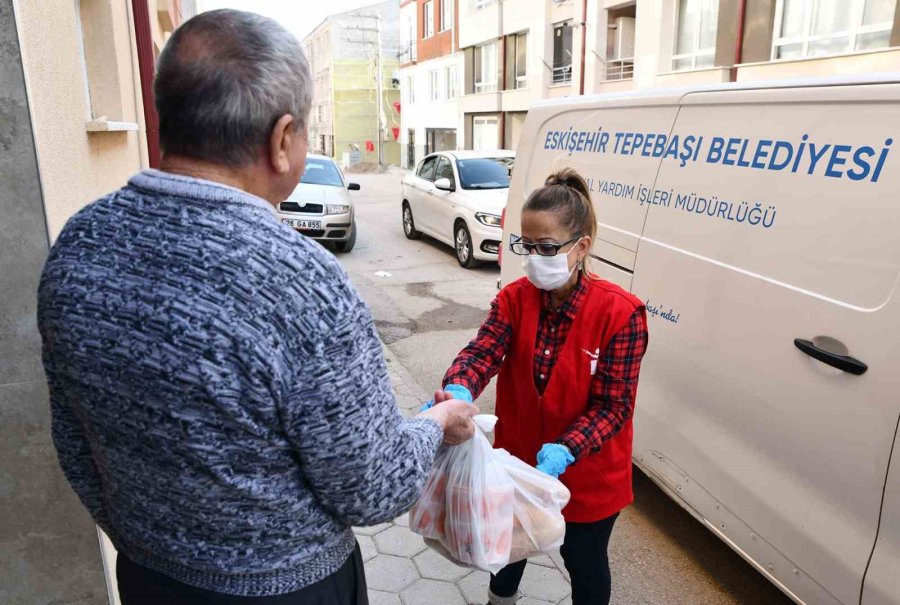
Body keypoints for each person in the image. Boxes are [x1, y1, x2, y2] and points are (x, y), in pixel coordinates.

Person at [37, 10, 475, 605]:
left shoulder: (80, 243)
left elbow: (73, 440)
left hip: (148, 577)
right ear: (282, 138)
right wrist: (433, 426)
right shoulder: (301, 282)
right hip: (290, 589)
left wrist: (145, 543)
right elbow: (371, 486)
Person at [430, 168, 649, 605]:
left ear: (581, 246)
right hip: (517, 464)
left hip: (587, 479)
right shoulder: (515, 298)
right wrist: (458, 388)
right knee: (507, 551)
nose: (533, 257)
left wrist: (567, 448)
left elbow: (613, 407)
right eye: (526, 246)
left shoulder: (621, 314)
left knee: (585, 565)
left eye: (546, 247)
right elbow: (483, 352)